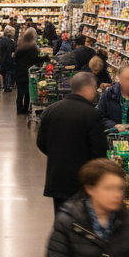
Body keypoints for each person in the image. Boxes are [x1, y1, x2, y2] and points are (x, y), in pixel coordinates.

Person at [36, 72, 106, 215]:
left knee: (62, 222)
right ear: (88, 88)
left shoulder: (51, 110)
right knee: (83, 223)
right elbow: (99, 150)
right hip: (83, 182)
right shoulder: (92, 115)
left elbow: (41, 142)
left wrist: (58, 155)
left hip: (57, 177)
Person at [14, 29, 43, 116]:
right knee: (28, 92)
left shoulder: (20, 46)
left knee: (20, 92)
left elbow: (15, 59)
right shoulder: (33, 48)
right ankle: (26, 109)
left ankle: (19, 109)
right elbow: (36, 60)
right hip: (29, 72)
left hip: (19, 72)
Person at [0, 26, 17, 93]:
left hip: (2, 58)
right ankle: (8, 86)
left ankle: (5, 85)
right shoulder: (11, 41)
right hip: (9, 59)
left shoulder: (1, 39)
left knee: (4, 72)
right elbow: (14, 50)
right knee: (8, 73)